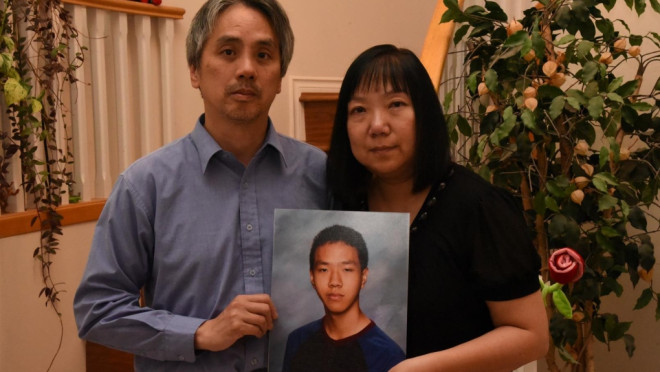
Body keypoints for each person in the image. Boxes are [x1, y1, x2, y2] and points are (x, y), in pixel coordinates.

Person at [73, 1, 328, 371]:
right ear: (194, 70)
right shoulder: (145, 186)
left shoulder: (320, 174)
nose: (246, 69)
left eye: (263, 55)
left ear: (280, 74)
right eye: (228, 52)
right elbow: (97, 310)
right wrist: (200, 333)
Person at [326, 44, 549, 372]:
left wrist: (422, 368)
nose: (377, 125)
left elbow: (531, 335)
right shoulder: (343, 203)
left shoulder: (478, 207)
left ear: (425, 115)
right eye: (359, 110)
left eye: (396, 105)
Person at [282, 224, 405, 372]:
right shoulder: (298, 340)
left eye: (347, 270)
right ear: (312, 276)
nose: (335, 281)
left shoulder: (388, 355)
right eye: (324, 270)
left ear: (363, 276)